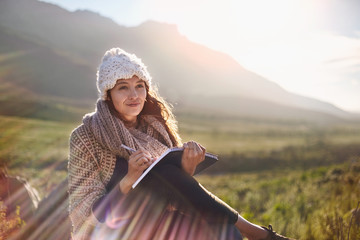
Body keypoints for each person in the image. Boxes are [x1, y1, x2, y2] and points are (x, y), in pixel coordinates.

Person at [68, 48, 294, 240]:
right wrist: (129, 179)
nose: (134, 94)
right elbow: (88, 211)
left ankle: (246, 231)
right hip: (111, 227)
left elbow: (175, 190)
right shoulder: (85, 136)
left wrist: (187, 168)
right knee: (164, 171)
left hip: (157, 217)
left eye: (140, 86)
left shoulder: (154, 128)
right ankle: (257, 233)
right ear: (108, 94)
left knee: (225, 232)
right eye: (123, 87)